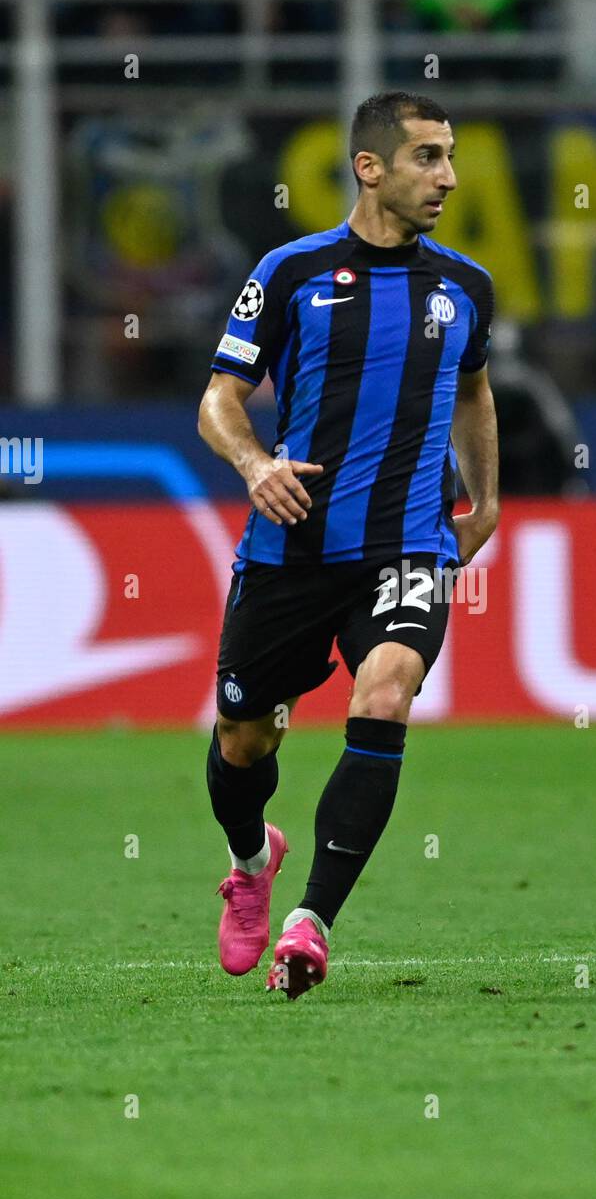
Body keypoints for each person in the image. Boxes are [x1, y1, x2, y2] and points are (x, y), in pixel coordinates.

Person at [197, 92, 498, 1001]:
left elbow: (476, 391)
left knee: (388, 688)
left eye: (449, 157)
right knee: (244, 741)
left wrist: (484, 497)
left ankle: (312, 922)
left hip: (408, 544)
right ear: (370, 168)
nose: (447, 175)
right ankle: (254, 863)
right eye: (427, 158)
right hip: (290, 551)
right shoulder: (291, 273)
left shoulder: (465, 286)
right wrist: (255, 465)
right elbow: (219, 399)